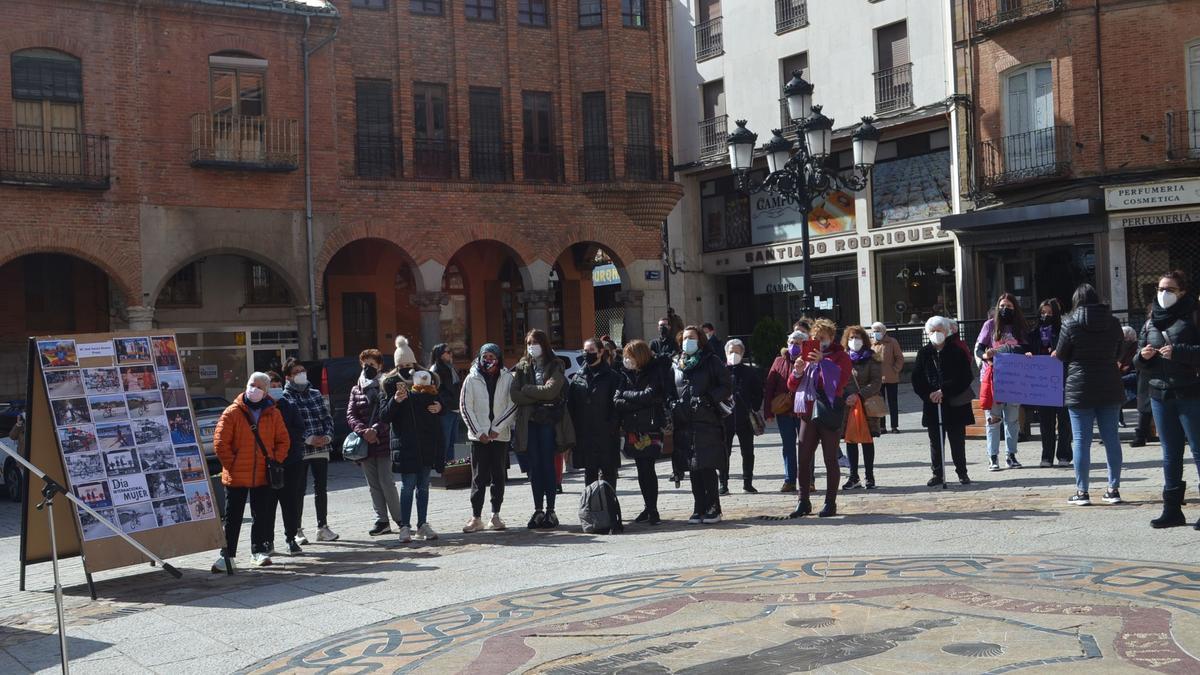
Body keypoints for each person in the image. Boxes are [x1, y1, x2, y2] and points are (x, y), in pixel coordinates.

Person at [1136, 270, 1200, 529]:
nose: (1163, 294)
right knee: (1170, 453)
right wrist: (1143, 356)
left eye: (1170, 289)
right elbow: (1136, 360)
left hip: (1190, 391)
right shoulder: (1151, 319)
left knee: (1197, 450)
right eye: (1160, 289)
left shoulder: (1194, 315)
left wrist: (1179, 352)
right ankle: (1172, 509)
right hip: (1160, 394)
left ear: (1182, 292)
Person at [211, 372, 290, 572]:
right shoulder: (232, 412)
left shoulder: (273, 413)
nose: (253, 389)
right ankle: (227, 556)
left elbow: (283, 441)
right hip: (236, 475)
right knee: (232, 517)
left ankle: (258, 551)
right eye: (251, 384)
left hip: (263, 474)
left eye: (258, 387)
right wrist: (232, 464)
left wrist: (274, 460)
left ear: (265, 391)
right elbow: (220, 443)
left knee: (261, 514)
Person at [1056, 284, 1124, 506]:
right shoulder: (1113, 322)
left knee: (1081, 441)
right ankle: (1113, 490)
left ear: (1076, 301)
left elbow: (1062, 354)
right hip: (1109, 383)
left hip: (1080, 386)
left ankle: (1082, 492)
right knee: (1112, 439)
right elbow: (1120, 351)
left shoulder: (1070, 322)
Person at [787, 319, 851, 518]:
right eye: (815, 338)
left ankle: (830, 502)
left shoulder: (840, 357)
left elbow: (836, 383)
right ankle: (803, 500)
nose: (818, 342)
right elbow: (792, 385)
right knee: (803, 457)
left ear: (831, 338)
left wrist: (822, 361)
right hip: (807, 411)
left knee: (830, 458)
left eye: (822, 338)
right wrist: (797, 372)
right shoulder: (807, 357)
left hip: (828, 410)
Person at [673, 326, 731, 524]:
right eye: (684, 338)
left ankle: (713, 507)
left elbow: (726, 385)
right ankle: (698, 507)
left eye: (691, 337)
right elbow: (673, 388)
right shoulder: (677, 363)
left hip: (707, 420)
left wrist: (709, 399)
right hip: (685, 421)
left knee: (706, 466)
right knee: (693, 468)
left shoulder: (711, 360)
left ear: (700, 341)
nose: (687, 341)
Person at [510, 329, 568, 530]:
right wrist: (538, 395)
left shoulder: (555, 365)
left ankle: (551, 510)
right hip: (529, 423)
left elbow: (552, 390)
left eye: (535, 342)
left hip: (548, 422)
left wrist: (528, 391)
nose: (531, 346)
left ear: (544, 344)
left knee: (548, 466)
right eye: (528, 343)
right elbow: (514, 394)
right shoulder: (522, 366)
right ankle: (538, 509)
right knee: (534, 468)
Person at [381, 364, 445, 543]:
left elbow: (442, 405)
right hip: (406, 446)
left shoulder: (427, 382)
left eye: (409, 364)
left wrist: (440, 407)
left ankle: (422, 524)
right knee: (408, 487)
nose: (407, 368)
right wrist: (395, 400)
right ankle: (404, 526)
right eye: (402, 364)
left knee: (424, 487)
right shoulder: (390, 385)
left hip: (426, 445)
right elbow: (384, 416)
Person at [347, 348, 404, 538]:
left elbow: (389, 412)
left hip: (383, 441)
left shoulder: (386, 385)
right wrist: (364, 432)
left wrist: (376, 430)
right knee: (373, 484)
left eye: (372, 364)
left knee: (387, 482)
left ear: (380, 366)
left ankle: (400, 520)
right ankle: (382, 521)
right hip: (366, 443)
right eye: (365, 364)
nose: (367, 368)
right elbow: (351, 414)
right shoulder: (357, 388)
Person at [460, 343, 516, 533]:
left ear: (499, 358)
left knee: (498, 476)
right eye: (485, 356)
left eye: (492, 356)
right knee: (478, 477)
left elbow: (512, 405)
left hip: (499, 436)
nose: (489, 360)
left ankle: (495, 515)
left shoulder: (508, 378)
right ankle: (476, 517)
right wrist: (479, 432)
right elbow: (465, 407)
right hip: (479, 438)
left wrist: (497, 428)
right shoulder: (471, 378)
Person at [281, 359, 338, 544]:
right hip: (300, 449)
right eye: (296, 371)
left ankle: (322, 526)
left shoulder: (315, 393)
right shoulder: (285, 397)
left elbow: (327, 417)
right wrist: (309, 438)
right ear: (288, 376)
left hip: (321, 448)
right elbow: (289, 424)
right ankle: (296, 529)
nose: (301, 374)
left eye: (302, 370)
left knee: (321, 488)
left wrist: (327, 437)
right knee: (298, 489)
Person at [913, 317, 974, 487]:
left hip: (955, 404)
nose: (936, 334)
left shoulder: (957, 351)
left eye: (939, 330)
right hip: (933, 404)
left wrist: (944, 391)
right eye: (932, 331)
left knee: (957, 440)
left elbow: (965, 377)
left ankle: (962, 472)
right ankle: (937, 473)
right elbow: (917, 379)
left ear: (946, 332)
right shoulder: (924, 353)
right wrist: (930, 394)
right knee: (935, 441)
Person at [614, 339, 670, 524]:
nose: (627, 360)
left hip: (650, 426)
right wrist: (635, 401)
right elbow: (616, 400)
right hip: (633, 427)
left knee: (648, 468)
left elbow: (650, 395)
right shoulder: (625, 374)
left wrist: (628, 396)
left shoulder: (655, 371)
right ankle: (648, 507)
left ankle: (653, 509)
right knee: (641, 469)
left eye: (630, 357)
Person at [975, 293, 1028, 471]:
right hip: (993, 380)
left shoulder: (1020, 328)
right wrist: (985, 355)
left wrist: (1025, 354)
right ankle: (992, 457)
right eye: (1002, 306)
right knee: (993, 419)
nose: (1005, 309)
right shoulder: (989, 325)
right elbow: (979, 349)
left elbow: (1027, 347)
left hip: (1014, 380)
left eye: (1009, 306)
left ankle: (1011, 456)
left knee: (1012, 420)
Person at [567, 338, 622, 490]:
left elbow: (617, 406)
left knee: (609, 474)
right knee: (589, 474)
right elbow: (571, 405)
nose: (588, 354)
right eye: (585, 350)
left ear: (600, 352)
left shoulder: (612, 377)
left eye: (591, 350)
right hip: (585, 435)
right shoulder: (578, 377)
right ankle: (591, 509)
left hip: (606, 435)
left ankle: (609, 510)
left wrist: (611, 426)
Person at [1028, 299, 1071, 467]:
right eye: (1043, 313)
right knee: (1046, 422)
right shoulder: (1034, 333)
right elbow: (1026, 349)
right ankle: (1046, 456)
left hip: (1062, 382)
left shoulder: (1064, 332)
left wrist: (1060, 353)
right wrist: (1029, 353)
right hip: (1042, 384)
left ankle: (1064, 455)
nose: (1046, 316)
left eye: (1050, 313)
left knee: (1064, 421)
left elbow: (1071, 352)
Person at [764, 331, 808, 493]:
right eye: (791, 342)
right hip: (784, 411)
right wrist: (767, 411)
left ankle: (808, 480)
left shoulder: (809, 360)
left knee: (806, 447)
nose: (794, 346)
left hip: (804, 411)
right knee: (788, 446)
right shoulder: (779, 361)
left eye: (798, 343)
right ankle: (789, 480)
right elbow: (769, 387)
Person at [267, 371, 305, 555]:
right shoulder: (261, 408)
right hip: (269, 464)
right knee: (268, 505)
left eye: (277, 386)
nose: (275, 389)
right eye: (271, 386)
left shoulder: (290, 406)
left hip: (291, 461)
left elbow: (299, 429)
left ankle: (291, 538)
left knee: (290, 502)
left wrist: (286, 440)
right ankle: (268, 541)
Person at [843, 326, 882, 490]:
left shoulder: (872, 358)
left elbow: (876, 382)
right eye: (851, 338)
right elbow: (838, 380)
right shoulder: (843, 358)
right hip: (848, 406)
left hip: (866, 404)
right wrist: (846, 397)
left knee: (867, 440)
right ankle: (853, 476)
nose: (854, 341)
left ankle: (869, 476)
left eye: (857, 338)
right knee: (850, 440)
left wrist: (859, 395)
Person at [721, 339, 762, 494]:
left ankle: (748, 483)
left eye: (737, 352)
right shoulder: (721, 370)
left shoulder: (749, 371)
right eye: (731, 351)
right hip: (726, 418)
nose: (734, 354)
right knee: (724, 452)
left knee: (748, 452)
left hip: (745, 418)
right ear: (726, 353)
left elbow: (758, 392)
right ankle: (723, 484)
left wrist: (754, 407)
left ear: (743, 353)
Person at [870, 322, 904, 434]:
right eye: (874, 331)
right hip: (877, 379)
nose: (876, 333)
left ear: (884, 331)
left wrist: (895, 369)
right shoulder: (871, 343)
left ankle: (894, 426)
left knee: (893, 402)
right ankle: (882, 426)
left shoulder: (892, 342)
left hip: (891, 377)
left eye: (878, 330)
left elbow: (899, 358)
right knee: (880, 403)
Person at [431, 343, 462, 463]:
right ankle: (442, 470)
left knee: (454, 442)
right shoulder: (435, 369)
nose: (450, 354)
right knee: (445, 441)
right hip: (445, 410)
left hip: (454, 408)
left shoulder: (451, 367)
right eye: (447, 352)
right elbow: (436, 391)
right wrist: (445, 404)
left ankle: (453, 469)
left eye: (451, 351)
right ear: (439, 355)